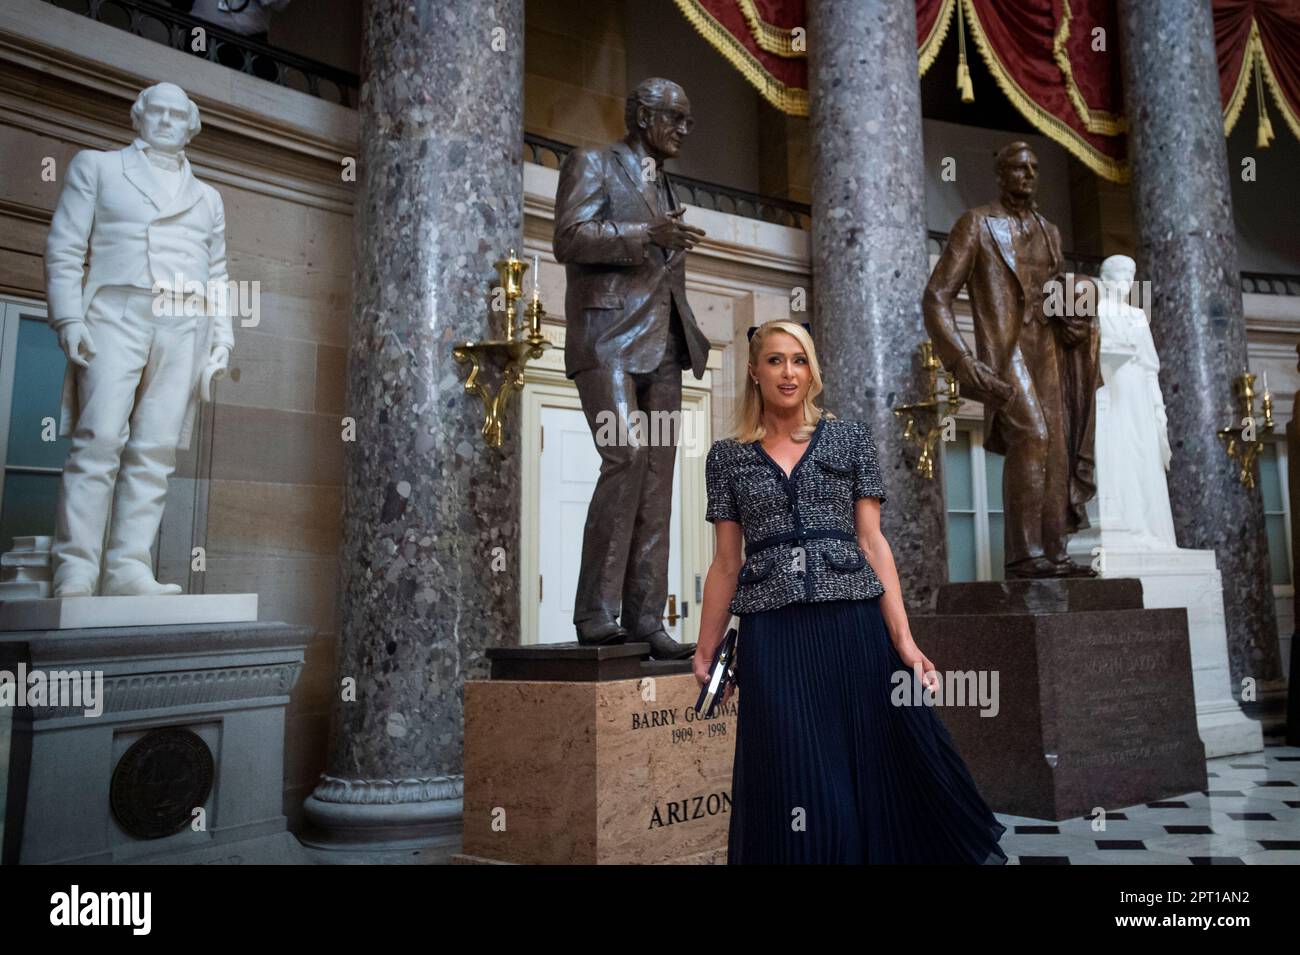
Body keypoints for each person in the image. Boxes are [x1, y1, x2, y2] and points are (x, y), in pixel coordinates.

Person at [695, 320, 1007, 864]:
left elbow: (872, 543)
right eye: (774, 360)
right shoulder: (727, 457)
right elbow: (726, 563)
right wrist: (706, 650)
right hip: (774, 637)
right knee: (795, 775)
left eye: (799, 360)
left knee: (873, 768)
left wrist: (905, 642)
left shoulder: (849, 438)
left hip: (852, 628)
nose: (788, 372)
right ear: (753, 371)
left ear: (812, 370)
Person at [44, 82, 233, 596]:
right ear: (139, 117)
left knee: (155, 450)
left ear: (191, 125)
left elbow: (217, 274)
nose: (167, 122)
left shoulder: (208, 197)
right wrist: (68, 319)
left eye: (178, 114)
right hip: (115, 309)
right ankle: (75, 568)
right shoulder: (98, 167)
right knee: (99, 439)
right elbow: (63, 248)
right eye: (158, 112)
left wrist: (222, 340)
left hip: (183, 323)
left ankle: (128, 566)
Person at [552, 77, 711, 660]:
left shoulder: (664, 182)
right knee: (626, 456)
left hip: (662, 347)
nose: (685, 130)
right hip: (608, 340)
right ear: (643, 116)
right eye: (677, 118)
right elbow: (567, 237)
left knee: (659, 480)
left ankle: (647, 616)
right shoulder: (592, 161)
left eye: (688, 120)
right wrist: (648, 233)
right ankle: (596, 610)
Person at [923, 141, 1099, 578]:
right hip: (1008, 352)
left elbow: (1056, 291)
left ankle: (1055, 555)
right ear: (1001, 175)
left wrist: (1077, 322)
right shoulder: (977, 224)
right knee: (1033, 436)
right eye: (1019, 168)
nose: (1029, 175)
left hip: (1051, 350)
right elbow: (936, 297)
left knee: (1056, 446)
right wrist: (962, 360)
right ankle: (1024, 555)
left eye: (1034, 168)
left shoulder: (1050, 230)